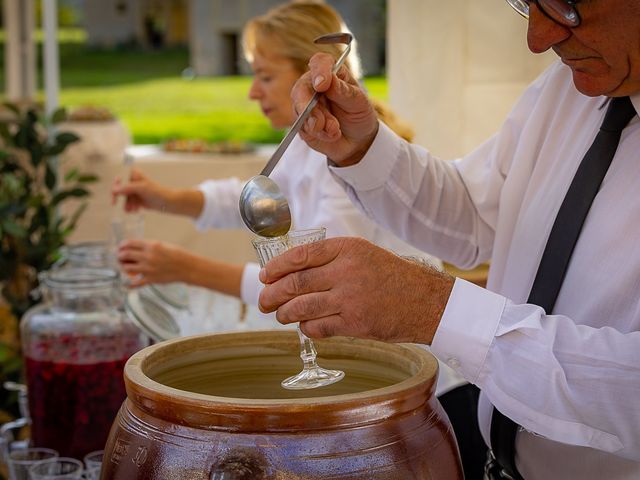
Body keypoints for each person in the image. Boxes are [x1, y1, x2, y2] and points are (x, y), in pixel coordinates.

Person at [256, 1, 640, 479]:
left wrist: (433, 308)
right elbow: (477, 216)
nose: (538, 38)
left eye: (567, 5)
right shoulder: (567, 88)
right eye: (525, 4)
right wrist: (360, 146)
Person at [112, 6, 487, 472]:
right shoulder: (307, 146)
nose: (252, 92)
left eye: (265, 77)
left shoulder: (347, 167)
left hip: (421, 400)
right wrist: (162, 197)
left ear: (316, 79)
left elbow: (319, 286)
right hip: (365, 386)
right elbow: (251, 199)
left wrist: (186, 268)